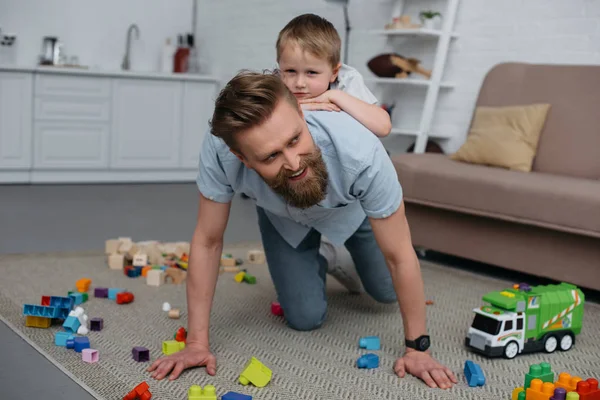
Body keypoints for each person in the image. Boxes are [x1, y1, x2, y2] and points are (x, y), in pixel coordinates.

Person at [147, 70, 458, 390]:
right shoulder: (219, 150)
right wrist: (197, 343)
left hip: (352, 212)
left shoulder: (360, 151)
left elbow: (399, 256)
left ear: (301, 112)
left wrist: (417, 349)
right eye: (271, 156)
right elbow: (208, 241)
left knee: (386, 292)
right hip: (282, 216)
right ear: (242, 157)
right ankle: (324, 255)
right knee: (304, 318)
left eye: (295, 139)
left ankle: (341, 250)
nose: (294, 162)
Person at [276, 13, 392, 138]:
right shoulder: (275, 81)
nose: (299, 83)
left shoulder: (346, 80)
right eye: (290, 71)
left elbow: (383, 127)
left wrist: (334, 95)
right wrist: (298, 107)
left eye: (311, 72)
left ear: (334, 73)